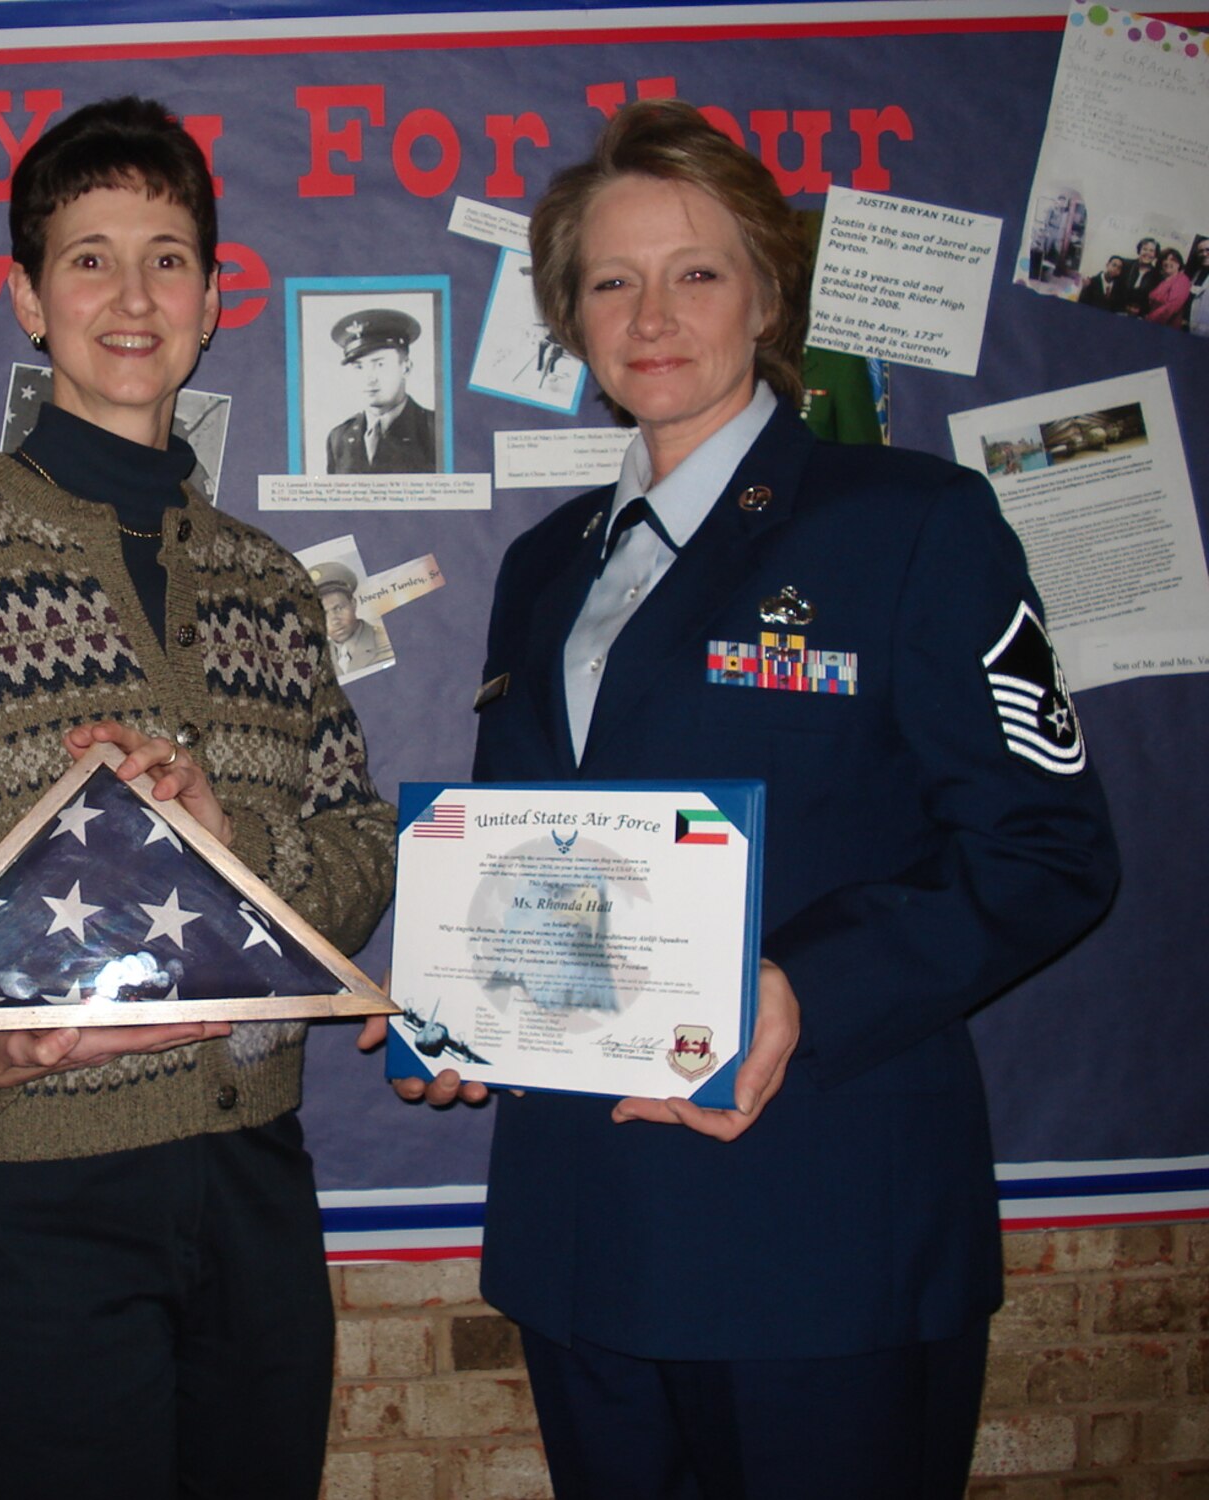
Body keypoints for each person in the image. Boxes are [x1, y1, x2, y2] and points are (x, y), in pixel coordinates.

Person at [364, 99, 1118, 1500]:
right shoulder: (542, 573)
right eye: (611, 279)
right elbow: (538, 859)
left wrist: (802, 989)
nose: (652, 313)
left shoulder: (911, 525)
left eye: (696, 272)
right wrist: (460, 986)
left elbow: (1050, 850)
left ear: (767, 295)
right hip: (582, 1238)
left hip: (817, 1233)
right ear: (569, 315)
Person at [0, 96, 395, 1500]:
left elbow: (357, 845)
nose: (131, 294)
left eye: (167, 256)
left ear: (214, 300)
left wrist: (241, 837)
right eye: (89, 256)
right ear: (26, 299)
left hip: (248, 1184)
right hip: (8, 1197)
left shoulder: (274, 590)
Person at [324, 308, 437, 472]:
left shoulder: (436, 430)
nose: (369, 378)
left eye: (380, 364)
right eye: (359, 367)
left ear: (406, 368)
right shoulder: (338, 438)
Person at [311, 560, 390, 675]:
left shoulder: (386, 641)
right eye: (323, 614)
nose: (334, 620)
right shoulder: (317, 659)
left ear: (353, 604)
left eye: (338, 608)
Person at [1145, 246, 1192, 328]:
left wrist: (1149, 320)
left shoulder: (1182, 280)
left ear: (1179, 264)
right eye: (1165, 259)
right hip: (1153, 325)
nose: (1167, 262)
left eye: (1173, 260)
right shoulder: (1163, 280)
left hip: (1166, 327)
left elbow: (1171, 307)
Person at [1119, 236, 1162, 317]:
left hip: (1141, 317)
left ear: (1155, 254)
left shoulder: (1157, 276)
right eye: (1145, 249)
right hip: (1118, 311)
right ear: (1139, 250)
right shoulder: (1126, 264)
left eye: (1151, 251)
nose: (1147, 253)